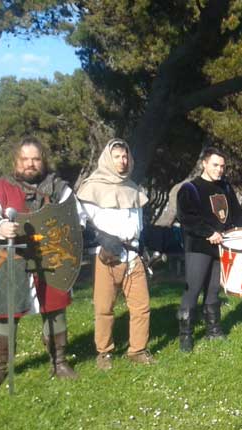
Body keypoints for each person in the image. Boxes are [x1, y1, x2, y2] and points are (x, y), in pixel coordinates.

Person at [0, 137, 80, 389]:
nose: (30, 164)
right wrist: (1, 226)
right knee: (4, 315)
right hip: (13, 259)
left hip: (52, 259)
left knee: (55, 313)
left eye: (35, 159)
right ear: (16, 161)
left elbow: (76, 218)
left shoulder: (59, 188)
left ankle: (59, 362)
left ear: (43, 160)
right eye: (25, 159)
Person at [77, 138, 154, 369]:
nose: (122, 161)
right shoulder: (92, 187)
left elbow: (138, 223)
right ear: (108, 159)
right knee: (104, 308)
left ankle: (138, 349)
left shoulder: (132, 187)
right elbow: (82, 224)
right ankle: (104, 352)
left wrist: (142, 246)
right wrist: (102, 238)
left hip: (132, 256)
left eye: (125, 156)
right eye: (117, 157)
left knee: (142, 306)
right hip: (106, 257)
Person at [175, 148, 242, 352]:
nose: (219, 170)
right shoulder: (190, 189)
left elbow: (235, 215)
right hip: (199, 247)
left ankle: (213, 330)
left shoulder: (225, 188)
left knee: (213, 290)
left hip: (220, 248)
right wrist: (208, 233)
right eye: (215, 165)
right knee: (193, 290)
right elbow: (187, 218)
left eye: (222, 166)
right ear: (204, 163)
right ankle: (185, 336)